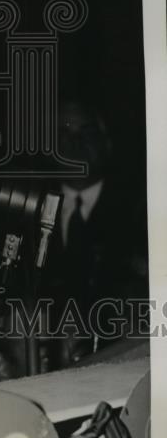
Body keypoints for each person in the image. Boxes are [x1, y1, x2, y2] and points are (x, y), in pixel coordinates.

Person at [46, 98, 149, 365]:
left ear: (107, 142)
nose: (75, 143)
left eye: (86, 133)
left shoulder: (142, 209)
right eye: (63, 133)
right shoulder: (31, 210)